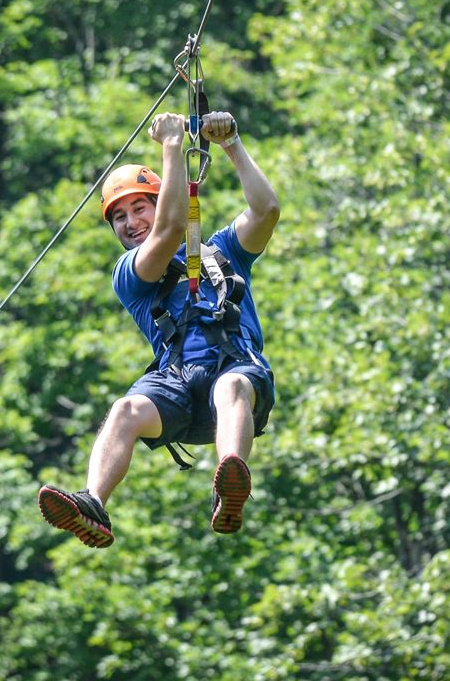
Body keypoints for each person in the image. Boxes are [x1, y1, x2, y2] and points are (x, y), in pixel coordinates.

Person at [37, 110, 279, 548]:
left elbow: (266, 210)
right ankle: (93, 503)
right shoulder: (130, 273)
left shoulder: (223, 251)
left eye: (139, 208)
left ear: (160, 199)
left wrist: (231, 144)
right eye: (119, 217)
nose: (131, 223)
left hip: (235, 379)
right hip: (176, 388)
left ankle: (230, 484)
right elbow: (169, 230)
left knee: (231, 387)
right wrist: (171, 145)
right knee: (125, 409)